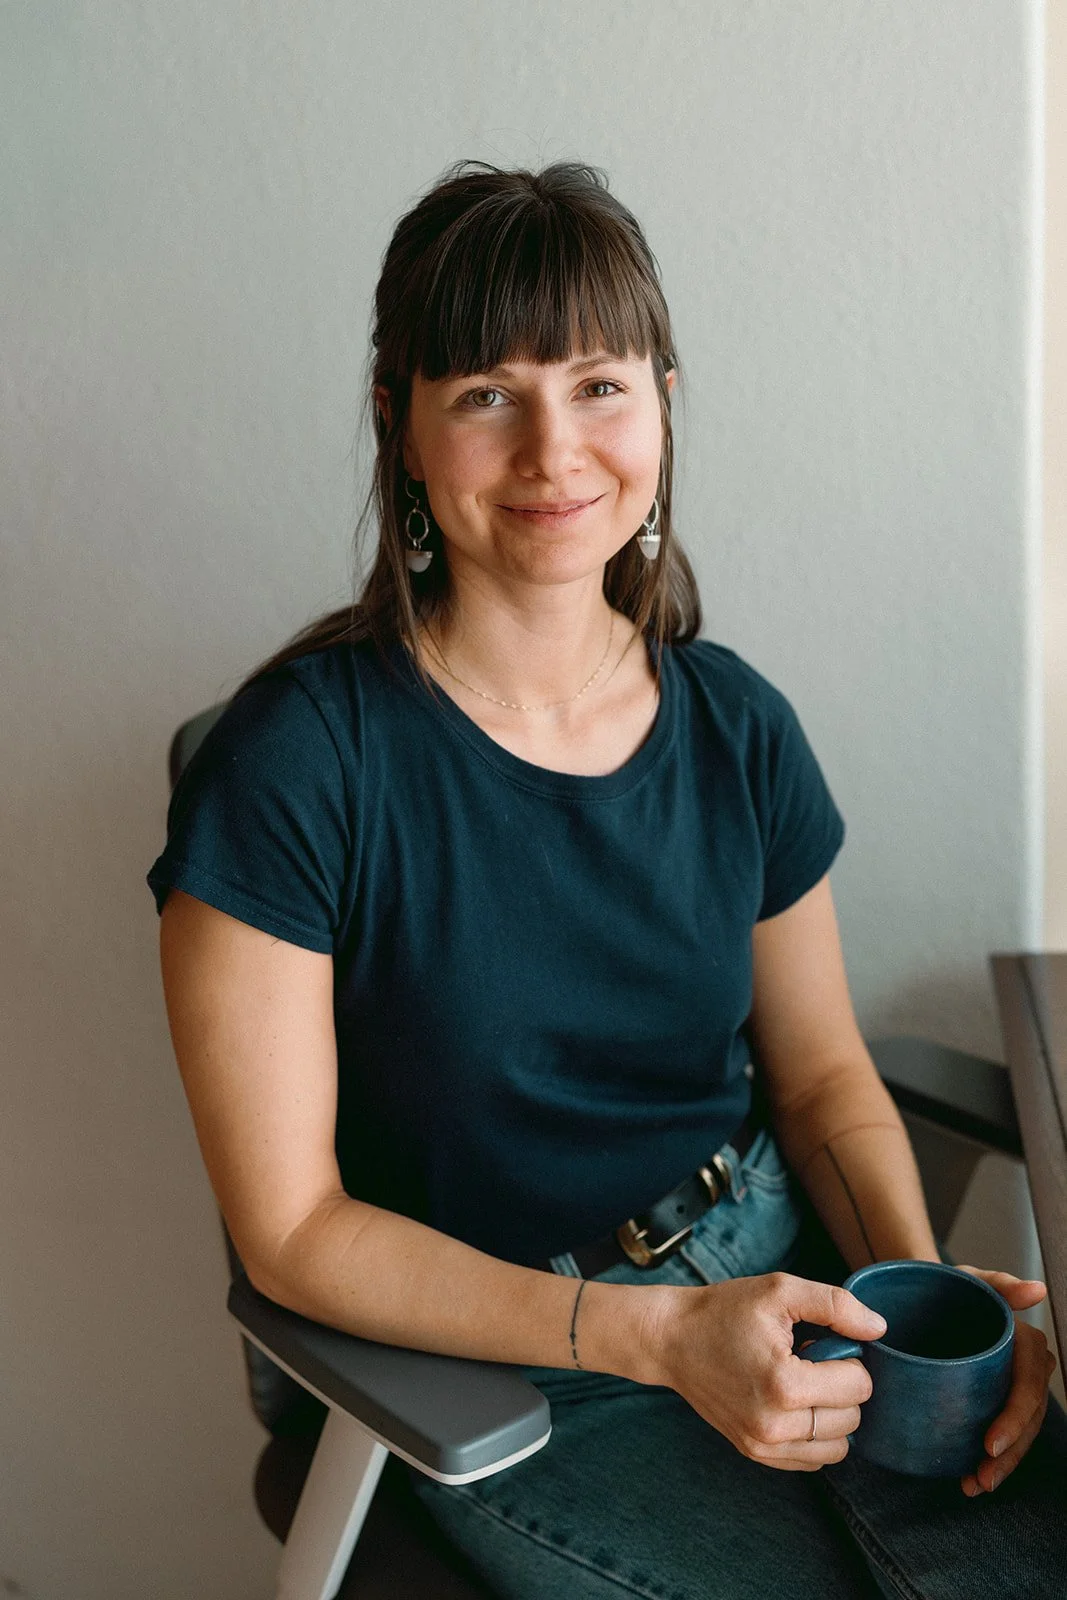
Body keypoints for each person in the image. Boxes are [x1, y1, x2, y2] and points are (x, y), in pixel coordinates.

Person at [147, 160, 1066, 1600]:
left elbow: (821, 1082)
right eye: (485, 396)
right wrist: (650, 1341)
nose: (553, 453)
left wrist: (930, 1305)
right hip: (505, 1363)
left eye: (595, 385)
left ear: (662, 402)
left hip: (779, 1275)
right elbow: (294, 1228)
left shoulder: (735, 724)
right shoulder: (295, 765)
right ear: (400, 424)